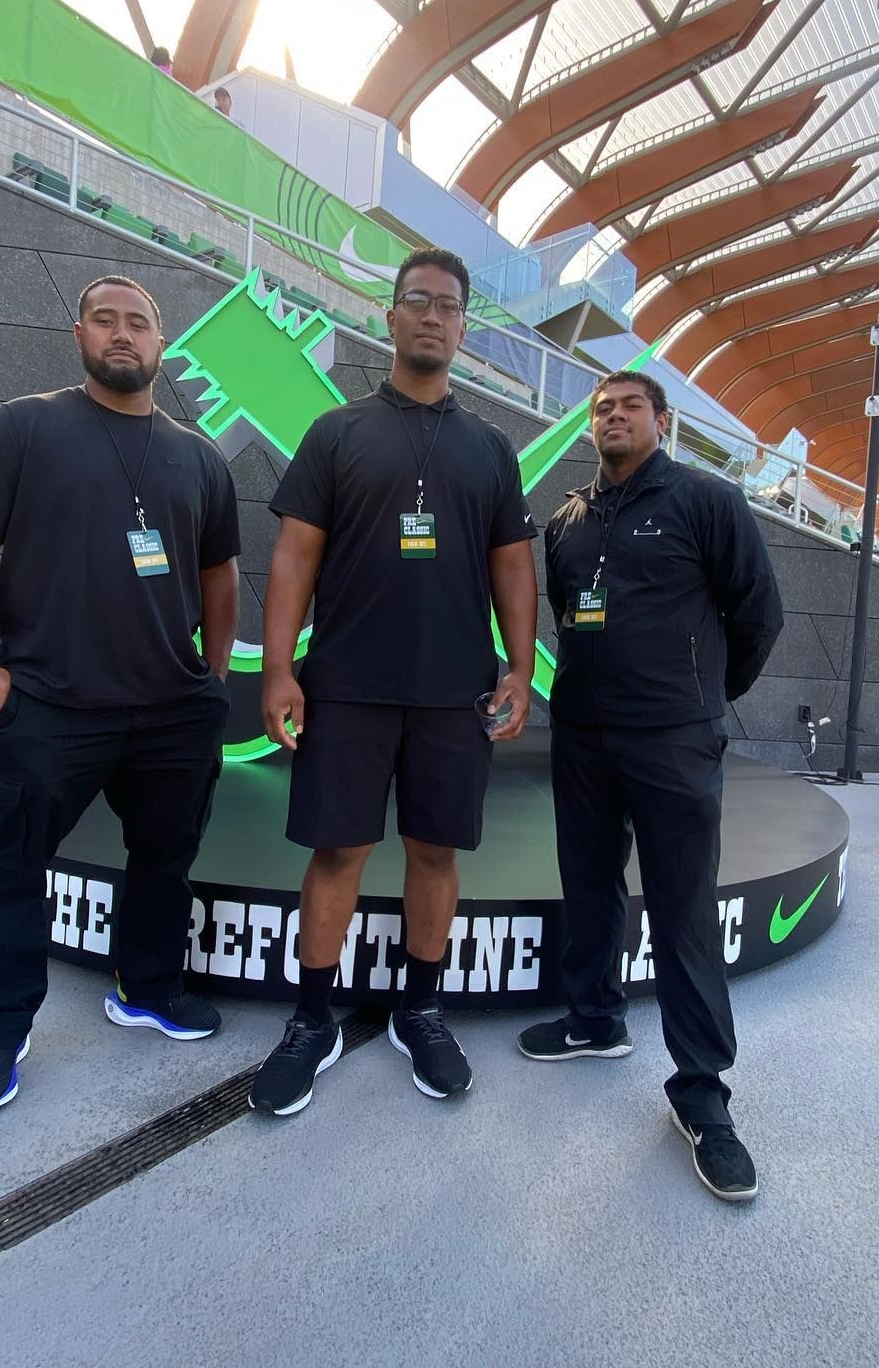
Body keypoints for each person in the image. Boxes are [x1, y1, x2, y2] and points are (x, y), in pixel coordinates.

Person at [0, 275, 240, 1113]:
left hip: (173, 711)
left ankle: (146, 989)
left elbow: (221, 574)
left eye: (137, 323)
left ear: (161, 344)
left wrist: (212, 677)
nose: (121, 333)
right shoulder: (22, 428)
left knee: (165, 859)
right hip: (50, 702)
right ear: (78, 334)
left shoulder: (198, 455)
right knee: (14, 866)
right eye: (104, 319)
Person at [250, 246, 538, 1116]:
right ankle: (312, 1020)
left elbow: (514, 568)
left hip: (454, 691)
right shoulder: (336, 433)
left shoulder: (490, 447)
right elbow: (295, 555)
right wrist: (278, 668)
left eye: (449, 306)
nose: (433, 316)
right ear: (389, 314)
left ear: (462, 328)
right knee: (337, 850)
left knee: (434, 851)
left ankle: (422, 1007)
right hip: (344, 685)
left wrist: (520, 668)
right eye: (418, 300)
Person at [517, 371, 783, 1203]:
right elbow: (567, 611)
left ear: (661, 423)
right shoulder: (565, 520)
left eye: (631, 406)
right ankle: (594, 1018)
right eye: (602, 409)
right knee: (589, 884)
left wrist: (702, 698)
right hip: (585, 736)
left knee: (682, 908)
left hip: (674, 740)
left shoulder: (707, 501)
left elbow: (758, 616)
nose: (615, 417)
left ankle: (702, 1094)